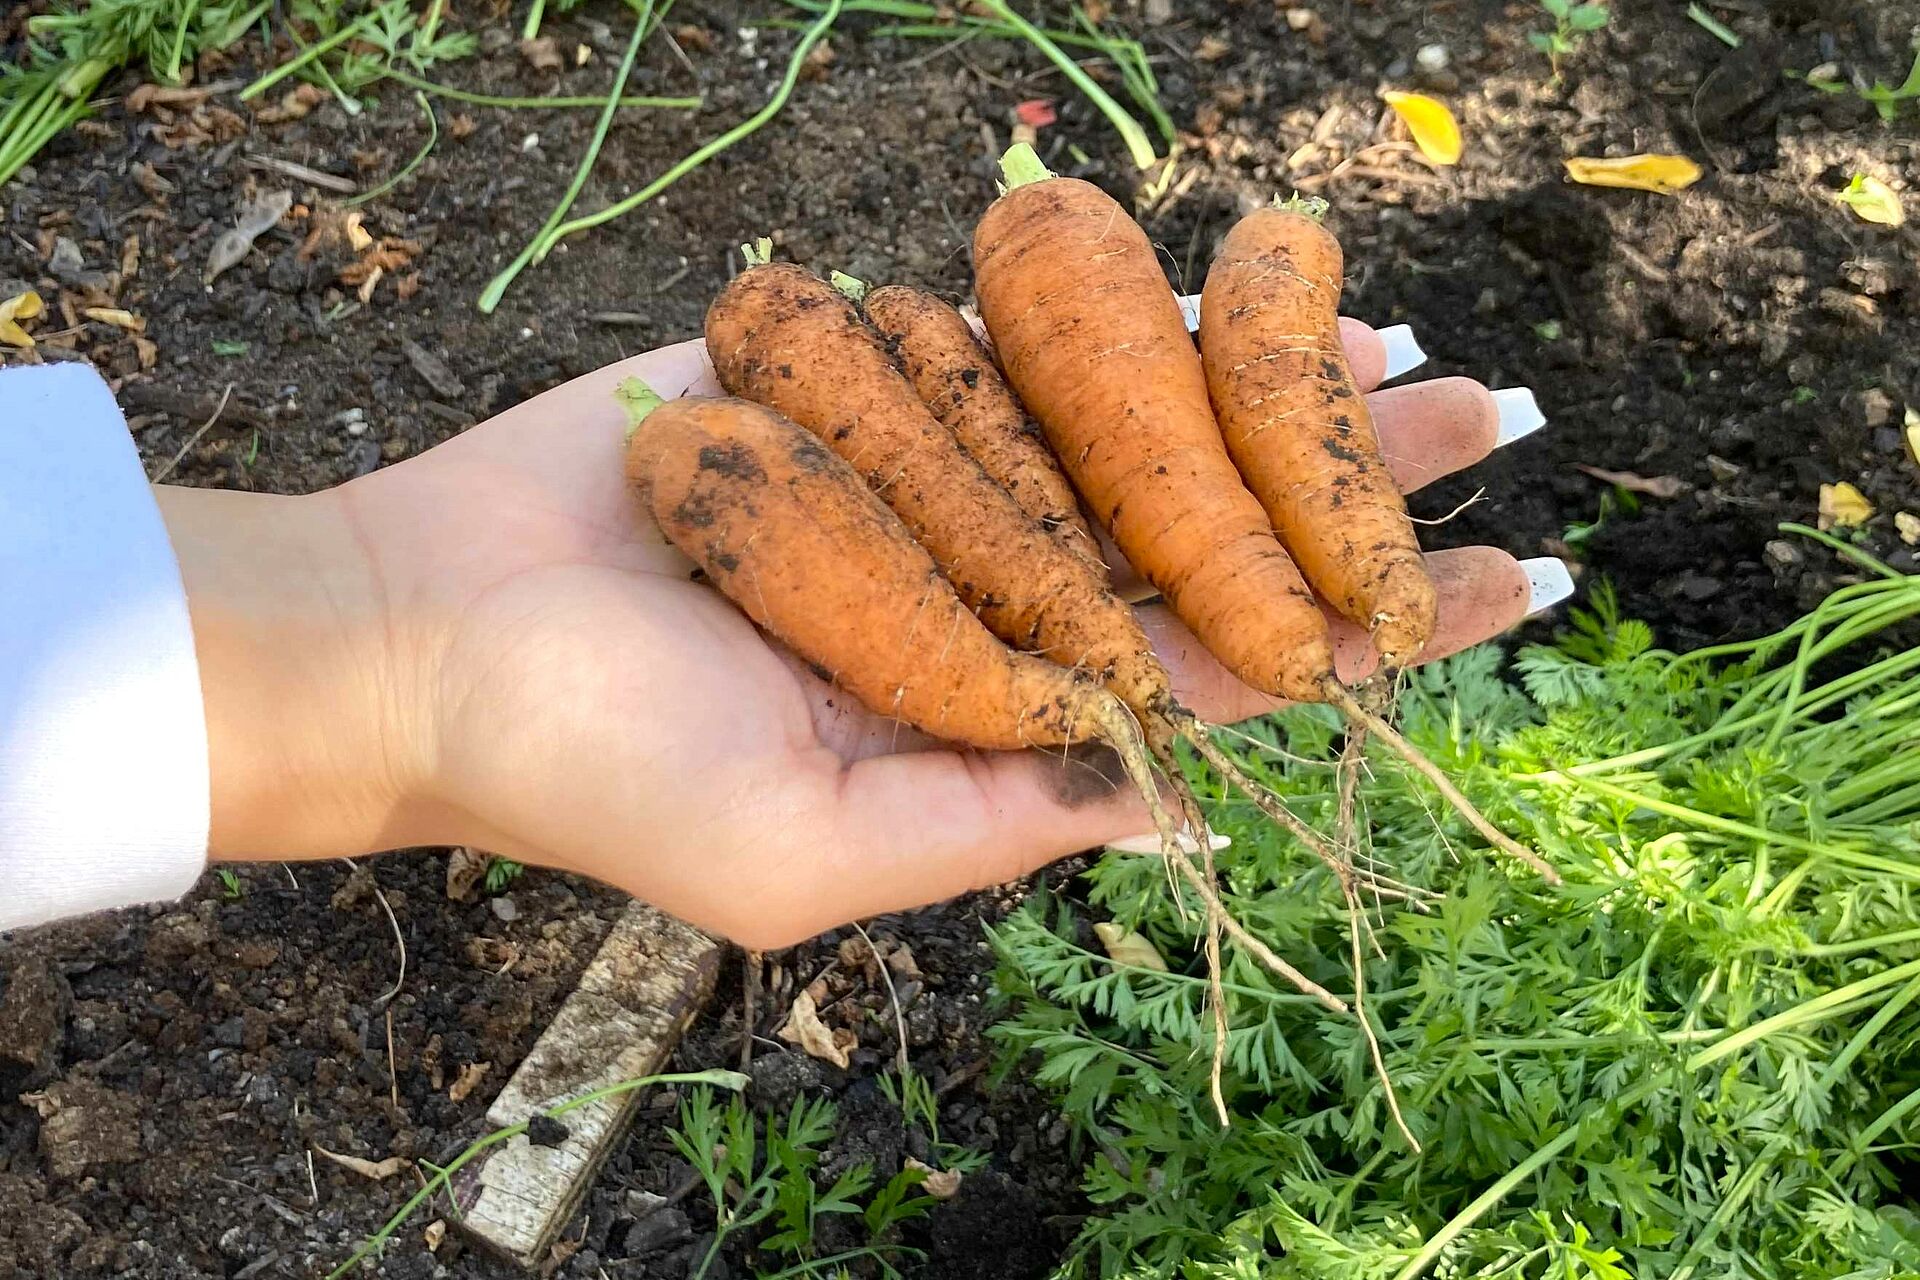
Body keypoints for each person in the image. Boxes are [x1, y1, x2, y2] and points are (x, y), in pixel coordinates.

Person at [0, 324, 1563, 947]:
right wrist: (403, 634)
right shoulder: (697, 452)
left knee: (1059, 535)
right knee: (1042, 561)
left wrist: (396, 622)